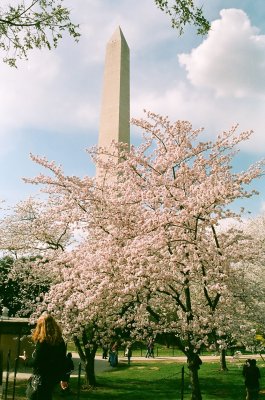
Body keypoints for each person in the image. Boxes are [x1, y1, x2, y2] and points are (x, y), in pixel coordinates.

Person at [25, 313, 68, 400]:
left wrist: (26, 360)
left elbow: (37, 362)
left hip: (41, 378)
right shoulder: (60, 341)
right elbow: (63, 360)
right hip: (53, 378)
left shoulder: (43, 342)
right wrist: (63, 379)